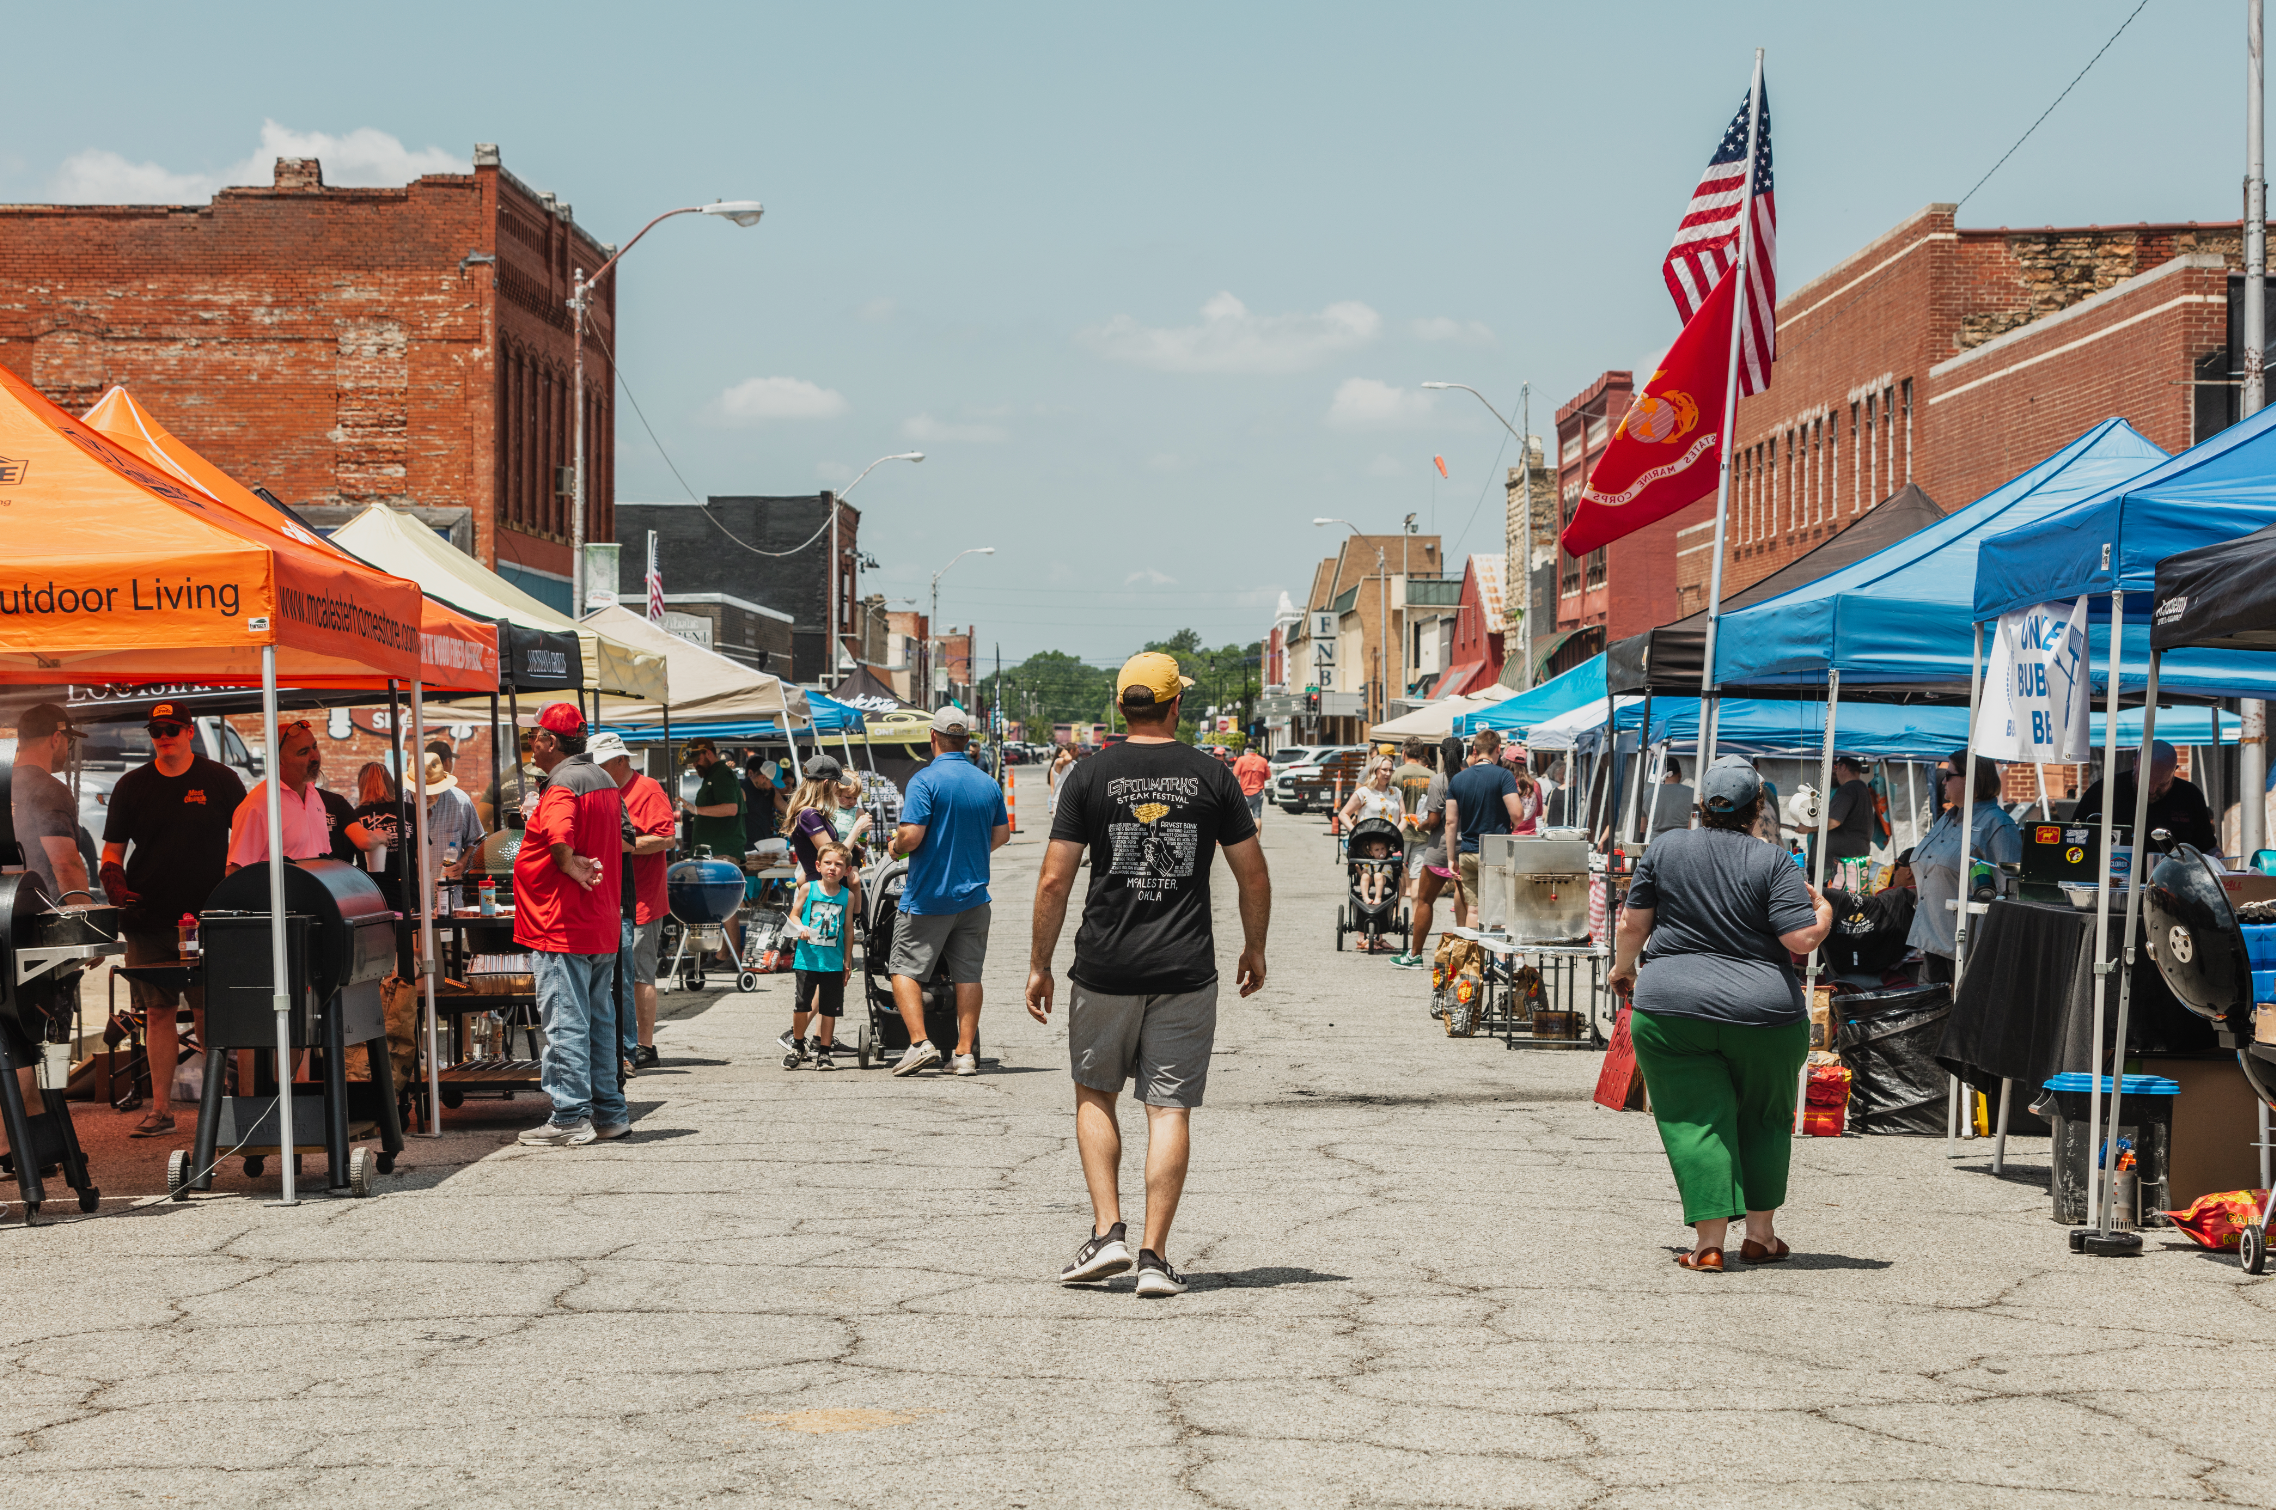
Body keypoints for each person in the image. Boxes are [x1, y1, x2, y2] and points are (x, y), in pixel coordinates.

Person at [1028, 650, 1270, 1297]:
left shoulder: (1088, 774)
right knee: (1168, 1110)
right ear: (1174, 705)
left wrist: (1038, 965)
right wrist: (1255, 948)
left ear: (1119, 706)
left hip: (1103, 967)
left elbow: (1054, 878)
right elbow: (1253, 872)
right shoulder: (1212, 776)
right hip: (1185, 969)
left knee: (1095, 1091)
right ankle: (1154, 1259)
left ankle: (1107, 1232)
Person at [1608, 756, 1833, 1273]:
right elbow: (1799, 940)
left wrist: (1624, 971)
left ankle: (1709, 1244)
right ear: (1760, 807)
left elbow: (1631, 927)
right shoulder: (1774, 860)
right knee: (1765, 1118)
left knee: (1693, 1118)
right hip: (1764, 1015)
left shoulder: (1665, 849)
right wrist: (1824, 913)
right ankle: (1760, 1236)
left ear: (1701, 806)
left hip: (1671, 1008)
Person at [98, 702, 246, 1137]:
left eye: (172, 729)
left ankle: (216, 1106)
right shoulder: (131, 785)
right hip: (149, 914)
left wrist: (236, 885)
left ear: (189, 733)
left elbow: (247, 838)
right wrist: (114, 881)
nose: (163, 736)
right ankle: (160, 1109)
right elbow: (112, 849)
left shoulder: (220, 779)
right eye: (156, 730)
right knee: (159, 1013)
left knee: (206, 1010)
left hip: (208, 915)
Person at [513, 702, 628, 1147]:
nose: (530, 744)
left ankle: (568, 1116)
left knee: (566, 1022)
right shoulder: (602, 779)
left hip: (562, 922)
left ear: (550, 741)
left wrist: (566, 862)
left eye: (533, 737)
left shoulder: (562, 784)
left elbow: (560, 833)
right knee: (598, 1019)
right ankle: (610, 1112)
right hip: (597, 920)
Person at [884, 708, 1007, 1076]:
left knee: (902, 968)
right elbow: (1001, 835)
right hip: (974, 896)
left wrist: (894, 847)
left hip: (929, 896)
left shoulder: (925, 780)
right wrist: (967, 849)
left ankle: (920, 1043)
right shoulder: (987, 782)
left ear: (932, 737)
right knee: (968, 975)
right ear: (966, 740)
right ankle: (964, 1053)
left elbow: (911, 836)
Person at [594, 732, 674, 1073]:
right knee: (615, 973)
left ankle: (644, 1045)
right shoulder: (604, 789)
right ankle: (621, 1044)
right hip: (612, 896)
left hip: (642, 896)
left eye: (604, 765)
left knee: (640, 972)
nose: (599, 771)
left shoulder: (648, 788)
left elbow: (667, 837)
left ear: (622, 761)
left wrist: (626, 845)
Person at [1906, 755, 2022, 985]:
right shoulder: (1948, 818)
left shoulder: (1998, 825)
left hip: (1966, 947)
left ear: (1971, 780)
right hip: (1931, 940)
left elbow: (2011, 893)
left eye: (1948, 775)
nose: (1943, 782)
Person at [778, 840, 862, 1070]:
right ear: (818, 865)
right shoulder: (808, 888)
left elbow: (847, 930)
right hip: (808, 959)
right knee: (802, 1004)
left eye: (838, 864)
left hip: (833, 962)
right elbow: (794, 915)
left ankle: (824, 1052)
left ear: (846, 870)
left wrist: (848, 959)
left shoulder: (848, 896)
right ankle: (797, 1044)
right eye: (827, 863)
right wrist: (800, 928)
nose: (832, 868)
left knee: (829, 1008)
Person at [1393, 735, 1468, 969]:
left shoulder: (1439, 781)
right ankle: (1466, 955)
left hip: (1439, 848)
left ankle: (1415, 954)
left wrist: (1420, 824)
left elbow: (1434, 820)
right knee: (1467, 902)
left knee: (1425, 900)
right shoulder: (1470, 778)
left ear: (1442, 756)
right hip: (1467, 847)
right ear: (1464, 754)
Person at [2073, 739, 2218, 854]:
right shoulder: (2104, 791)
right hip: (2113, 883)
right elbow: (2073, 836)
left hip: (2173, 886)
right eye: (2144, 782)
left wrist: (2217, 858)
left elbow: (2207, 848)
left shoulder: (2190, 796)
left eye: (2162, 784)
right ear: (2135, 763)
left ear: (2175, 770)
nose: (2151, 790)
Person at [226, 719, 331, 873]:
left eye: (314, 747)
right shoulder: (257, 806)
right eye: (303, 752)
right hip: (279, 897)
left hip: (314, 894)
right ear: (279, 760)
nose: (314, 757)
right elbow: (236, 873)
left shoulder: (313, 794)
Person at [10, 703, 90, 901]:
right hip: (33, 919)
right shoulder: (49, 790)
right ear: (56, 739)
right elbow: (66, 865)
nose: (67, 750)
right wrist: (85, 924)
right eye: (69, 742)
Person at [1444, 730, 1524, 919]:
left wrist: (1450, 858)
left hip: (1468, 852)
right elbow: (1517, 814)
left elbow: (1450, 821)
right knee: (1501, 909)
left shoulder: (1457, 779)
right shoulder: (1504, 776)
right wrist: (1512, 823)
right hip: (1496, 851)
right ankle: (1501, 951)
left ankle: (1476, 949)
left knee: (1473, 910)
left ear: (1474, 750)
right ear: (1498, 749)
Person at [419, 751, 485, 899]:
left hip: (451, 897)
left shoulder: (460, 801)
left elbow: (478, 842)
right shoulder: (400, 804)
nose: (428, 796)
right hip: (412, 899)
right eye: (423, 791)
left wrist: (463, 862)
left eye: (433, 790)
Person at [344, 762, 404, 905]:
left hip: (369, 896)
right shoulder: (408, 811)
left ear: (361, 786)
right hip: (406, 896)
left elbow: (346, 863)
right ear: (391, 784)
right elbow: (426, 865)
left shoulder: (353, 817)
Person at [680, 739, 746, 859]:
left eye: (697, 760)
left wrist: (697, 810)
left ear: (708, 753)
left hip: (721, 854)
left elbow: (731, 808)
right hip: (713, 853)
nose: (694, 764)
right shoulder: (713, 775)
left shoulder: (721, 774)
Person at [783, 757, 847, 881]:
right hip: (823, 889)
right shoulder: (809, 815)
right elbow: (833, 854)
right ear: (826, 784)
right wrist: (857, 829)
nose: (838, 789)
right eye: (836, 784)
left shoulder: (813, 813)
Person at [1823, 755, 1874, 863]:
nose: (1834, 771)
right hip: (1855, 856)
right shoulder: (1861, 788)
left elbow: (1833, 822)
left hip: (1842, 861)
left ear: (1843, 767)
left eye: (1836, 767)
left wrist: (1809, 827)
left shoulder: (1848, 789)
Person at [1646, 757, 1695, 842]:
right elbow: (1693, 826)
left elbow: (1641, 829)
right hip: (1681, 843)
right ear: (1679, 773)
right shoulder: (1693, 794)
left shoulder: (1647, 794)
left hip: (1654, 844)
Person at [743, 753, 786, 844]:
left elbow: (787, 809)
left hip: (763, 844)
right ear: (763, 777)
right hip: (746, 845)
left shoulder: (771, 792)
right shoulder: (742, 789)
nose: (774, 786)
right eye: (772, 783)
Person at [1232, 744, 1272, 827]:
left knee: (1241, 817)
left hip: (1244, 792)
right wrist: (1259, 779)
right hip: (1258, 793)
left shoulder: (1241, 760)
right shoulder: (1263, 760)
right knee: (1257, 817)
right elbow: (1268, 776)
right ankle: (1257, 839)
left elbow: (1235, 776)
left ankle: (1243, 838)